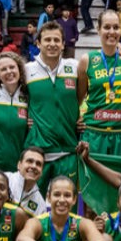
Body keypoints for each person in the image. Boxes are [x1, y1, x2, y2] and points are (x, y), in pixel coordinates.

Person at [22, 21, 80, 195]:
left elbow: (91, 94)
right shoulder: (26, 70)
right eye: (47, 40)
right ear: (38, 43)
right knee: (30, 209)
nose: (52, 44)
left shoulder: (75, 67)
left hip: (68, 151)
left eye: (57, 40)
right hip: (38, 153)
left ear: (63, 44)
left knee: (65, 208)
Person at [77, 10, 121, 157]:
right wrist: (77, 119)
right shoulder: (87, 60)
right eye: (107, 27)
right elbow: (78, 99)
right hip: (94, 134)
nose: (112, 32)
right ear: (98, 30)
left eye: (116, 27)